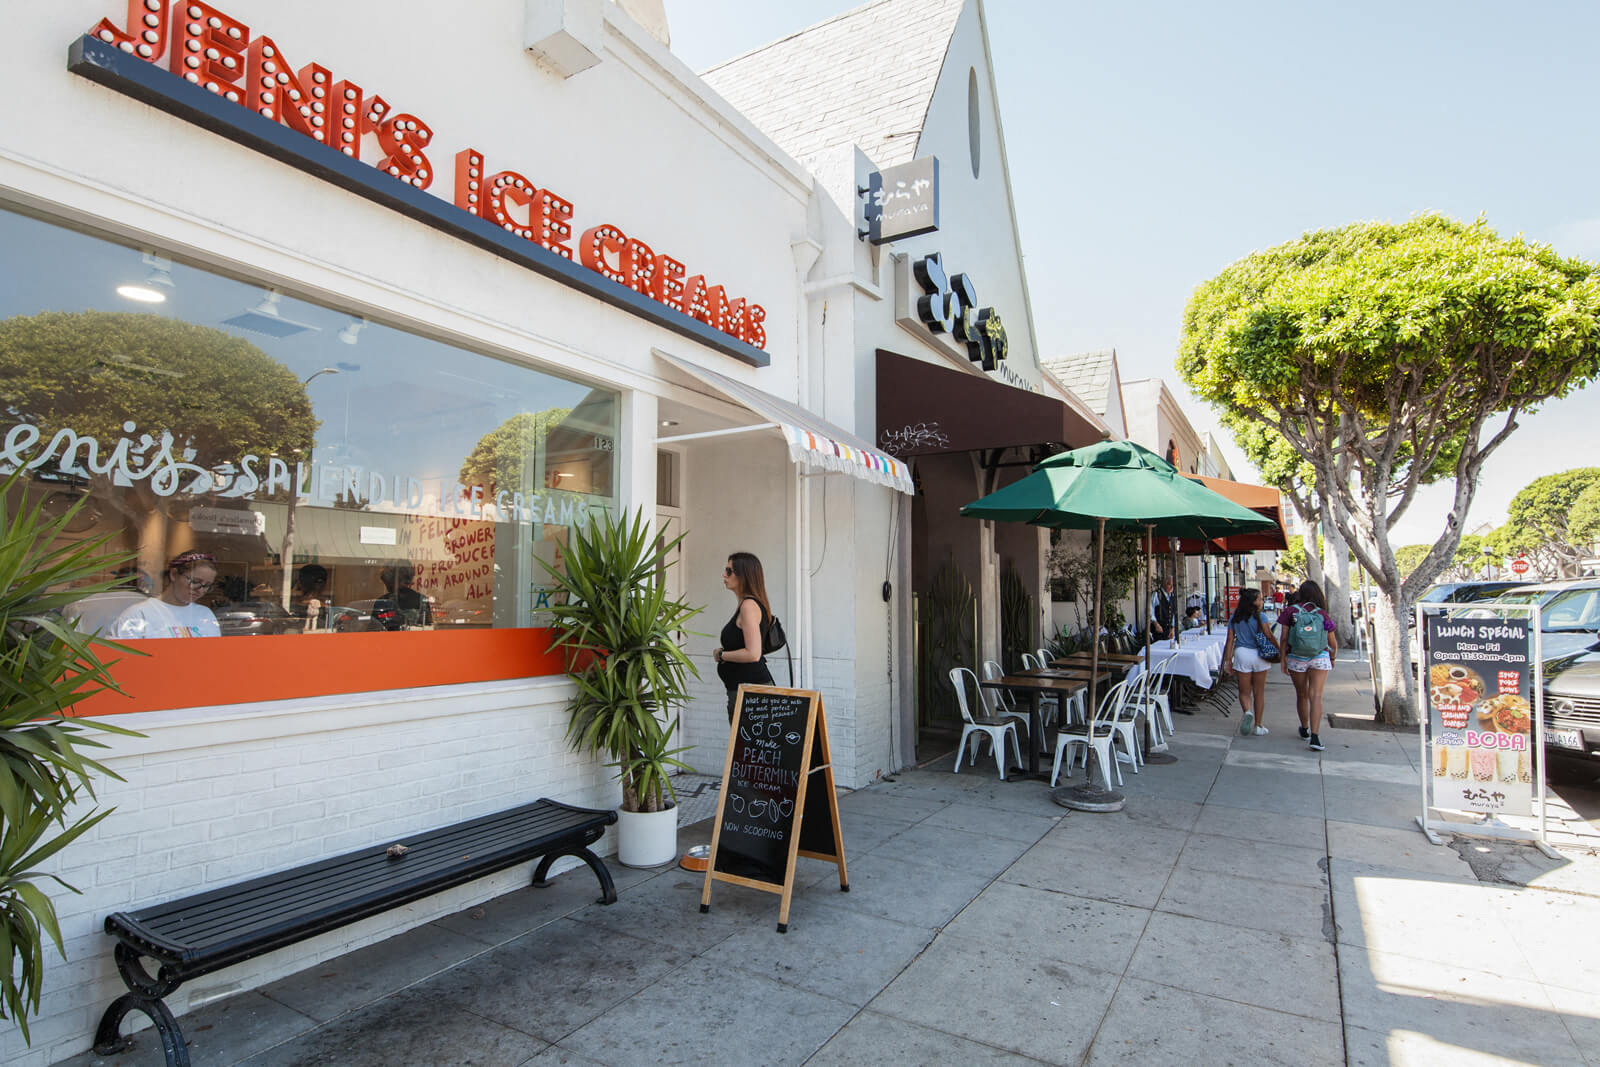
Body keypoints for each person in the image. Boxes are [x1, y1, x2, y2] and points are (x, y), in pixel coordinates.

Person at [712, 551, 775, 723]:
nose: (724, 575)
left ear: (743, 575)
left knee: (747, 748)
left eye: (729, 571)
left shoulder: (748, 605)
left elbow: (753, 654)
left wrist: (721, 655)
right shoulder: (748, 604)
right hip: (744, 691)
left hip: (750, 694)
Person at [1278, 579, 1338, 751]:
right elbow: (1332, 642)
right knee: (1316, 696)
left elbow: (1283, 638)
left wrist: (1283, 659)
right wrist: (1332, 657)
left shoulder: (1290, 612)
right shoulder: (1322, 614)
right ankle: (1315, 736)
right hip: (1320, 656)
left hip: (1296, 657)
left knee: (1302, 694)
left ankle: (1304, 728)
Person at [111, 551, 221, 639]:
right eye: (195, 581)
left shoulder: (205, 614)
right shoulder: (139, 614)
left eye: (207, 585)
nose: (200, 590)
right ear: (173, 574)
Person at [1219, 588, 1281, 736]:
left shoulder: (1235, 617)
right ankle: (1259, 726)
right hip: (1260, 655)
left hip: (1242, 654)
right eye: (1259, 599)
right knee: (1259, 692)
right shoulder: (1261, 617)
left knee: (1244, 692)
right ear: (1252, 602)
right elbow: (1269, 636)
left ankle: (1247, 711)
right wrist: (1279, 650)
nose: (1261, 602)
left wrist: (1228, 660)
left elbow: (1229, 640)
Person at [1148, 575, 1176, 642]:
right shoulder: (1157, 595)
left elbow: (1173, 613)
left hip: (1168, 631)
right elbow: (1150, 611)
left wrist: (1173, 628)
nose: (1172, 587)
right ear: (1164, 584)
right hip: (1157, 630)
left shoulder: (1172, 596)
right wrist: (1156, 624)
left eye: (1173, 585)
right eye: (1169, 584)